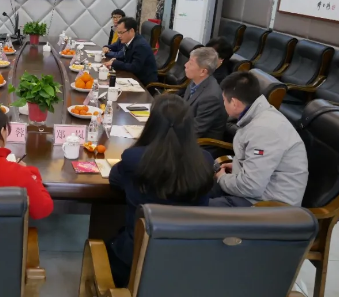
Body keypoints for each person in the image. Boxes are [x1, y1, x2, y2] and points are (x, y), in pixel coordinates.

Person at [107, 94, 214, 287]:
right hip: (187, 263)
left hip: (134, 263)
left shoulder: (134, 159)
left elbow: (115, 179)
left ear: (152, 124)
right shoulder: (204, 161)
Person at [210, 72, 308, 207]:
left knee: (199, 210)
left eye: (224, 100)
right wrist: (238, 167)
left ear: (234, 103)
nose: (223, 104)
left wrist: (222, 178)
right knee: (197, 190)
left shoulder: (264, 130)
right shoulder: (258, 116)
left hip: (269, 206)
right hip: (258, 192)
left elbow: (251, 186)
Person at [181, 47, 227, 141]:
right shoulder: (195, 81)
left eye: (190, 63)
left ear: (203, 71)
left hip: (200, 143)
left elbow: (196, 131)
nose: (186, 65)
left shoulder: (211, 97)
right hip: (185, 129)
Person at [103, 17, 158, 87]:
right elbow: (127, 57)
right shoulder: (129, 40)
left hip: (144, 84)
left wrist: (115, 63)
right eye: (118, 32)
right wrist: (115, 60)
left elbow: (134, 67)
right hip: (132, 78)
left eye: (121, 32)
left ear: (131, 31)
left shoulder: (140, 46)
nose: (119, 35)